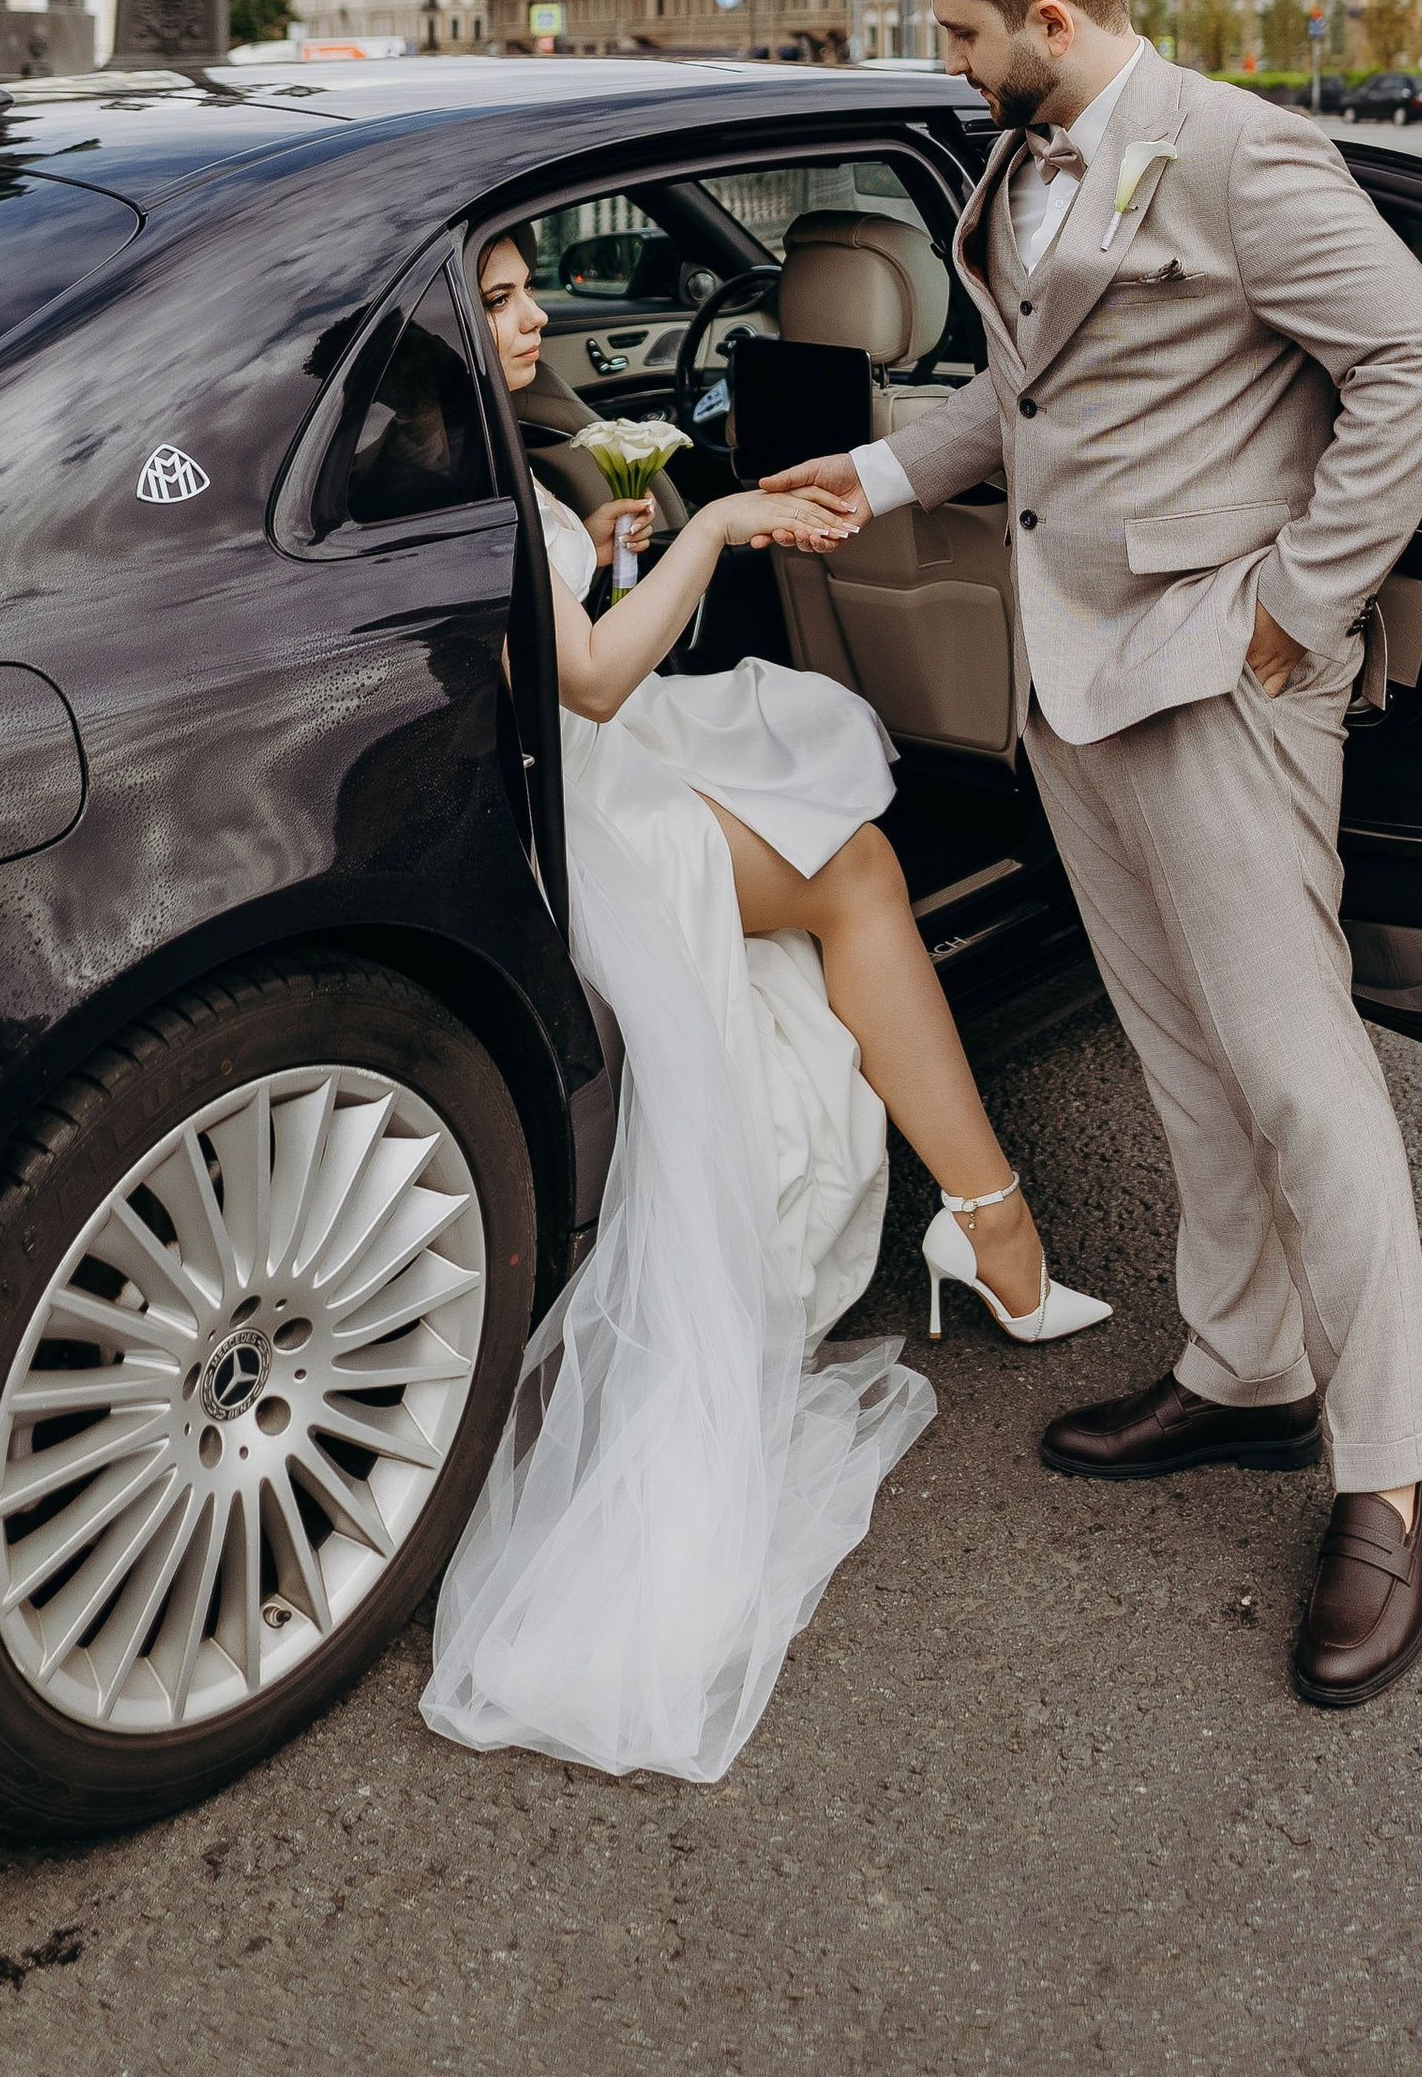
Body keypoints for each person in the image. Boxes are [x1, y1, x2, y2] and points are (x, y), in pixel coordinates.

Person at [760, 0, 1422, 1708]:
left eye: (960, 33)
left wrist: (1298, 613)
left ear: (1050, 24)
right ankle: (1246, 1375)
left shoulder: (1241, 156)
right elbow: (1024, 395)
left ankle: (1391, 1476)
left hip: (1217, 670)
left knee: (1302, 1073)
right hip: (1069, 677)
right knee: (1181, 1059)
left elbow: (1419, 360)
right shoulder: (1018, 164)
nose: (947, 60)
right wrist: (878, 479)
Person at [422, 232, 1106, 1784]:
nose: (537, 317)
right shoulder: (481, 462)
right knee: (858, 868)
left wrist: (602, 532)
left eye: (533, 287)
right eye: (504, 296)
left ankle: (983, 1221)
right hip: (584, 818)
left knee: (809, 754)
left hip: (538, 791)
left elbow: (549, 644)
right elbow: (589, 683)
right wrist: (714, 523)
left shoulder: (446, 446)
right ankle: (991, 1222)